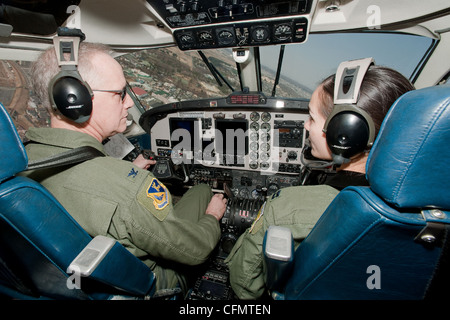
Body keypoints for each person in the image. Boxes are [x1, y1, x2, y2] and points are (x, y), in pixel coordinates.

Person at [19, 41, 227, 293]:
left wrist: (124, 174)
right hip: (145, 284)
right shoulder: (129, 188)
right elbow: (195, 251)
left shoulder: (22, 159)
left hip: (67, 283)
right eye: (120, 93)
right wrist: (213, 216)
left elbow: (87, 189)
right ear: (75, 99)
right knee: (202, 192)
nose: (129, 102)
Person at [225, 64, 415, 299]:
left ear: (345, 133)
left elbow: (244, 284)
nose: (305, 126)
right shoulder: (425, 212)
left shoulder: (288, 208)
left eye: (312, 118)